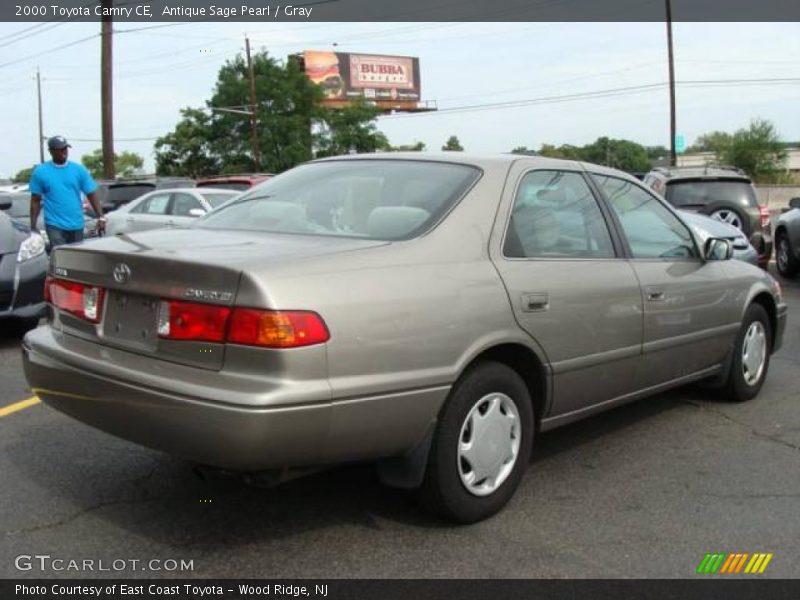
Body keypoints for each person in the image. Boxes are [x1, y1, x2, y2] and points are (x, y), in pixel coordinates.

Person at [29, 135, 105, 248]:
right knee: (61, 256)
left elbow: (91, 194)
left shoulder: (79, 170)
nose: (64, 152)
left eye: (65, 148)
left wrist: (101, 217)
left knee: (75, 258)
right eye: (60, 149)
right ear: (51, 152)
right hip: (54, 224)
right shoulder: (40, 172)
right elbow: (35, 200)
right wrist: (33, 226)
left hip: (77, 224)